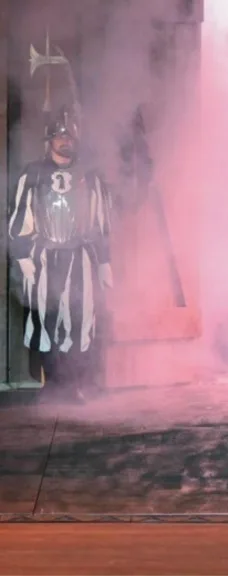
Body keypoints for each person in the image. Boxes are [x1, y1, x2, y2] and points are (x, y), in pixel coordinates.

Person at [8, 107, 114, 403]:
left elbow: (101, 223)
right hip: (44, 259)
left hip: (81, 258)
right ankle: (54, 384)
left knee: (80, 320)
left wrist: (104, 261)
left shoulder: (90, 176)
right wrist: (23, 256)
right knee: (46, 320)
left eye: (69, 136)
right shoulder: (32, 175)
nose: (65, 140)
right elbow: (20, 217)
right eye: (59, 136)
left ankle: (75, 383)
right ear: (50, 140)